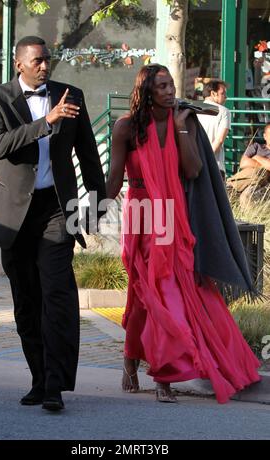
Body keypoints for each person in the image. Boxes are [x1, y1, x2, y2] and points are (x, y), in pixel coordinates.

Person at [105, 64, 260, 404]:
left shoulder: (184, 122)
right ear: (146, 91)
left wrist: (179, 128)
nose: (169, 90)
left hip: (175, 216)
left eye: (171, 84)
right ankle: (147, 368)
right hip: (143, 216)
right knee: (148, 292)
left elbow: (192, 169)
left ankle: (158, 371)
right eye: (161, 86)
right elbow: (115, 180)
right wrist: (90, 206)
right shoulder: (125, 127)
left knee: (165, 293)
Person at [0, 36, 106, 412]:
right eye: (37, 61)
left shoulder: (72, 95)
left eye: (48, 60)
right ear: (19, 63)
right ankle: (38, 379)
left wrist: (96, 207)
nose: (44, 66)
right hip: (14, 216)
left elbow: (88, 155)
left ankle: (55, 385)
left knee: (58, 296)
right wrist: (44, 123)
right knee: (27, 301)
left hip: (56, 209)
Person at [227, 123, 270, 206]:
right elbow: (243, 163)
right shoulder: (256, 146)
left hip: (265, 184)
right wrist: (264, 164)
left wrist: (257, 157)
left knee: (246, 196)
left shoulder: (256, 153)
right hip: (248, 181)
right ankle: (230, 187)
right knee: (256, 172)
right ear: (265, 136)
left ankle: (231, 183)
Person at [197, 80, 231, 180]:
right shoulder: (224, 111)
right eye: (223, 93)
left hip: (195, 164)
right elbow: (219, 140)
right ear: (213, 93)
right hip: (215, 165)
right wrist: (207, 158)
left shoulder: (195, 109)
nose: (226, 97)